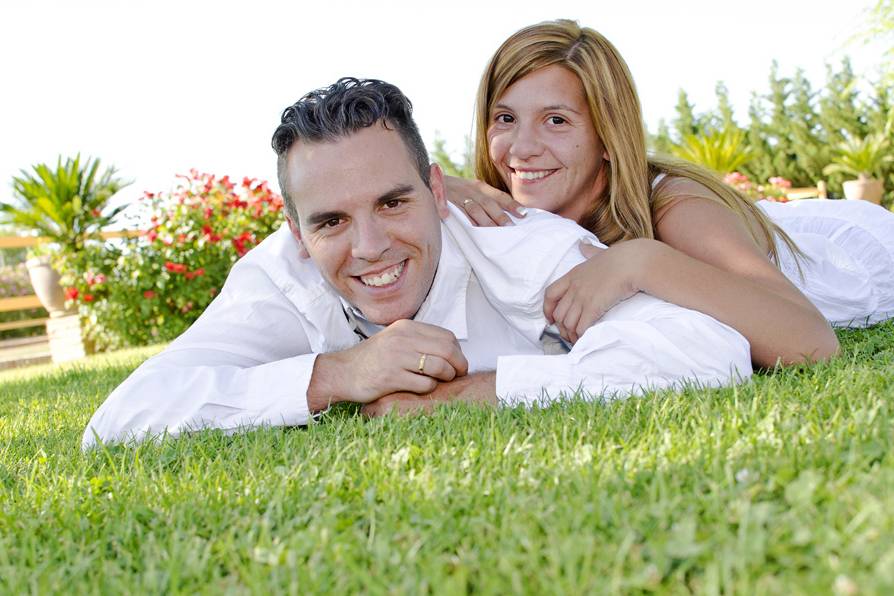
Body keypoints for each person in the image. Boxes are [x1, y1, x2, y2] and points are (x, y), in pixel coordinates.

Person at [82, 78, 751, 449]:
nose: (369, 247)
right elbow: (118, 421)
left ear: (438, 191)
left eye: (394, 202)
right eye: (332, 221)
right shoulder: (277, 279)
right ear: (294, 231)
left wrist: (460, 399)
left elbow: (708, 348)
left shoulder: (514, 245)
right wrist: (337, 375)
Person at [446, 19, 894, 369]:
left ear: (607, 135)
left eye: (556, 120)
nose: (521, 148)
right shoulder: (496, 206)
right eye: (505, 118)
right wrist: (436, 186)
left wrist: (641, 261)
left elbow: (811, 342)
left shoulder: (674, 207)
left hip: (856, 248)